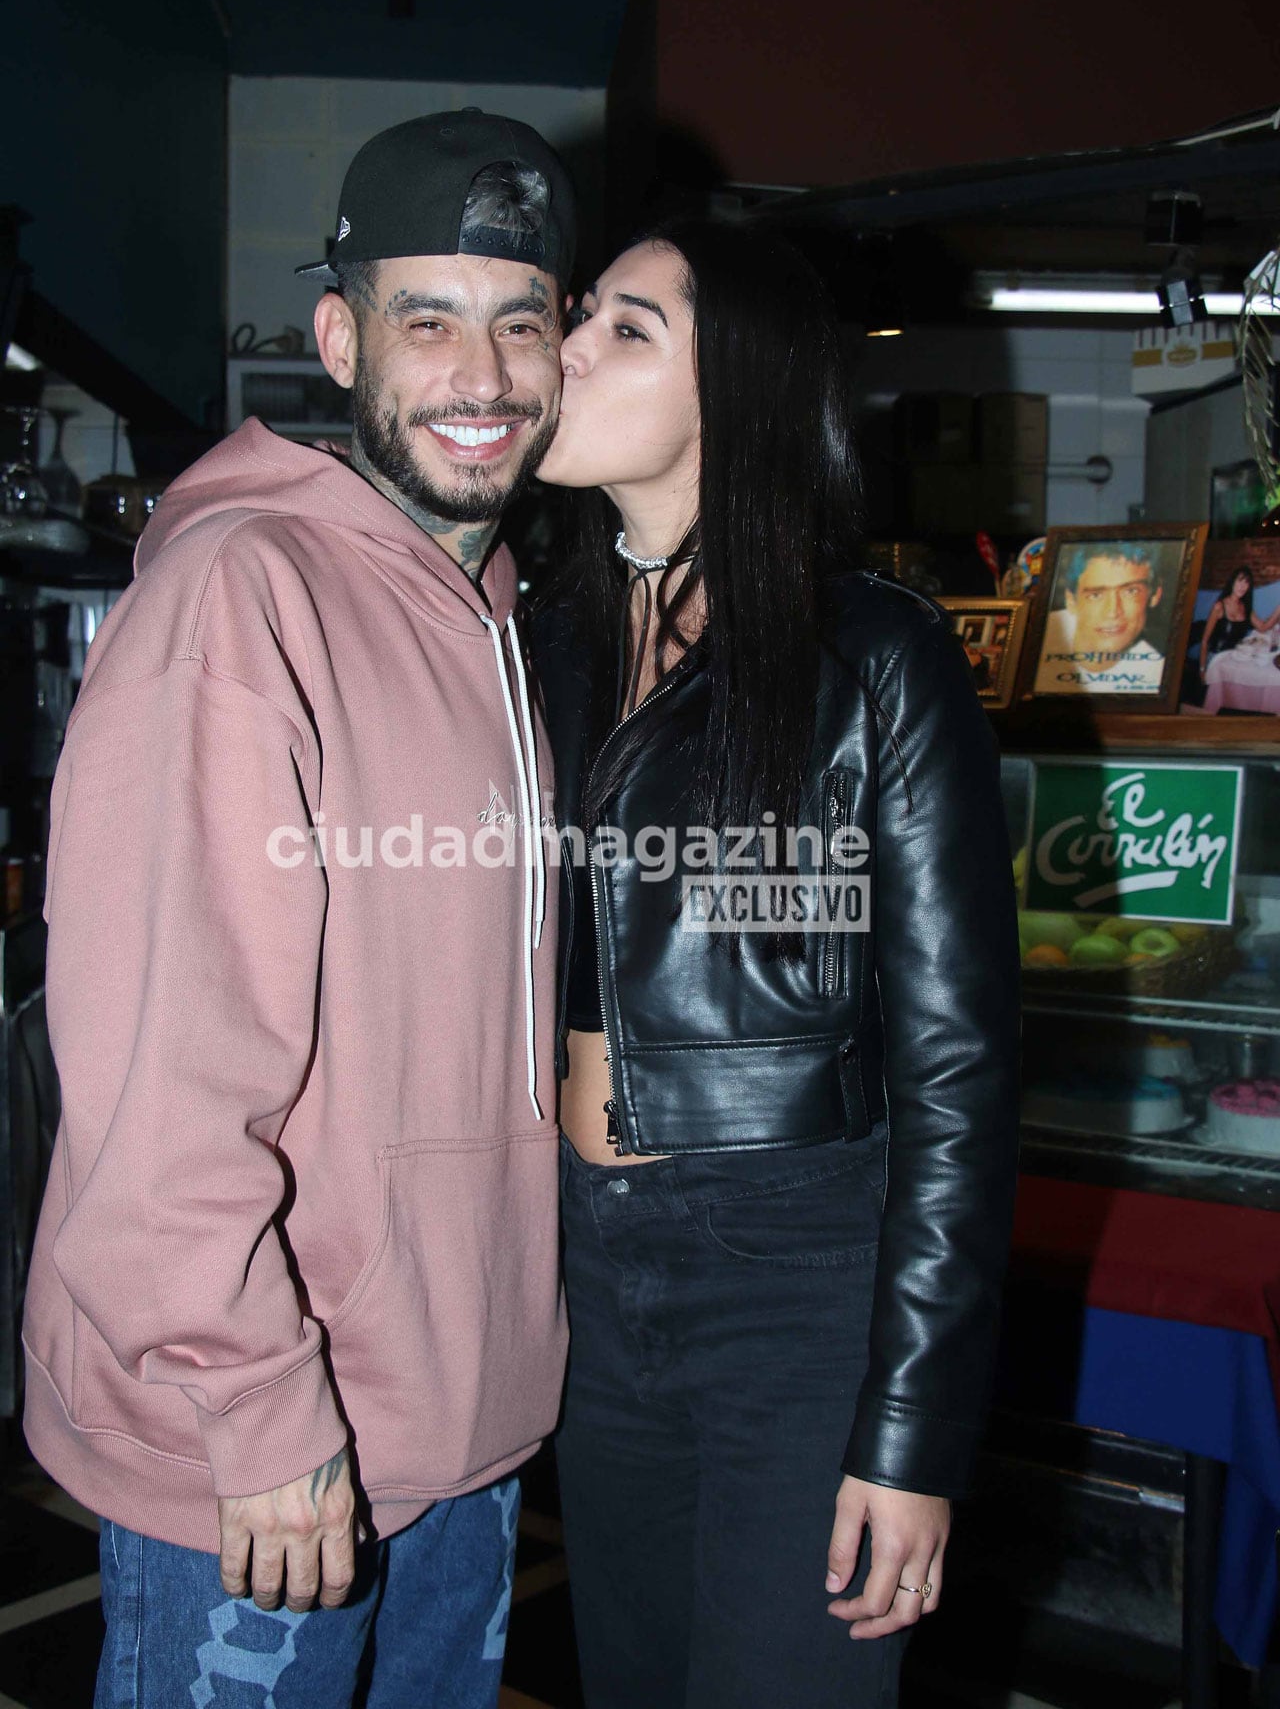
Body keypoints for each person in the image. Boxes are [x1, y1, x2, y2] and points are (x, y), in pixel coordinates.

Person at [23, 110, 574, 1708]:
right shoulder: (240, 598)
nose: (483, 373)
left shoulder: (493, 618)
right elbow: (157, 1067)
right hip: (261, 1456)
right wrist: (256, 1405)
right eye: (429, 320)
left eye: (520, 319)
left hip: (458, 1429)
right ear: (341, 341)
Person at [533, 221, 1022, 1708]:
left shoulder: (875, 658)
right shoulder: (533, 638)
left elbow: (959, 1074)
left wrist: (912, 1432)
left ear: (736, 390)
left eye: (624, 329)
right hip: (584, 1274)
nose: (564, 349)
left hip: (793, 1277)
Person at [1034, 540, 1168, 694]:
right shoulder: (1036, 638)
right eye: (1096, 595)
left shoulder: (1155, 677)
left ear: (1155, 595)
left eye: (1131, 591)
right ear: (1071, 601)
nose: (1112, 611)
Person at [1199, 564, 1280, 681]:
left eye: (1246, 583)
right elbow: (1205, 641)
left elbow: (1263, 627)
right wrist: (1202, 669)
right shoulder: (1219, 606)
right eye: (1239, 581)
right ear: (1232, 582)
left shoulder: (1245, 607)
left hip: (1235, 658)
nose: (1242, 586)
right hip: (1216, 660)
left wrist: (1278, 609)